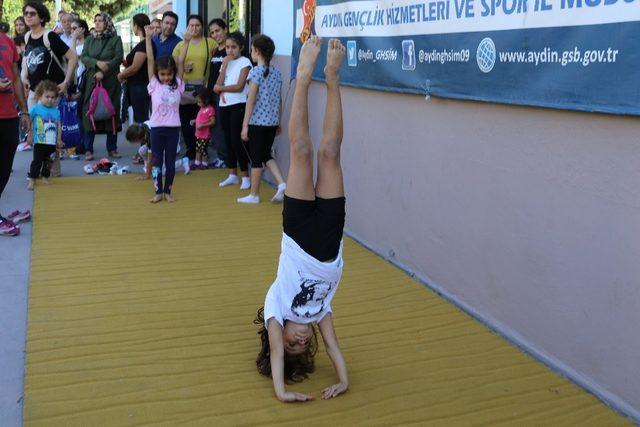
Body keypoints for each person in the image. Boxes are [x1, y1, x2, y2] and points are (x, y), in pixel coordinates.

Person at [254, 37, 348, 403]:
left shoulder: (277, 308)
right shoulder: (318, 312)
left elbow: (276, 354)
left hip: (297, 235)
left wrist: (281, 393)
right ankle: (334, 77)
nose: (299, 339)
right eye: (302, 346)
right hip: (329, 236)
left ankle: (305, 79)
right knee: (331, 152)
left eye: (291, 341)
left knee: (301, 151)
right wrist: (342, 380)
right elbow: (335, 347)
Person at [239, 34, 286, 204]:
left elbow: (250, 100)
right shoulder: (277, 73)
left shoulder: (255, 72)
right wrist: (278, 121)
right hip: (271, 123)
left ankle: (254, 195)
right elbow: (279, 100)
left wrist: (245, 126)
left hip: (257, 122)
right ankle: (281, 183)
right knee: (266, 154)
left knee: (257, 158)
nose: (251, 52)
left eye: (252, 50)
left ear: (257, 51)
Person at [145, 24, 188, 203]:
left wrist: (186, 41)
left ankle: (168, 191)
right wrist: (147, 39)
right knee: (156, 161)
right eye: (162, 74)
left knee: (169, 162)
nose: (166, 78)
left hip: (172, 129)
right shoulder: (154, 84)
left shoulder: (178, 84)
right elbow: (149, 59)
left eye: (169, 74)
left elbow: (181, 62)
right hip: (156, 129)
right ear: (157, 74)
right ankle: (158, 192)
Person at [172, 15, 215, 166]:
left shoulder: (209, 43)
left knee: (202, 120)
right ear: (187, 27)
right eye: (191, 25)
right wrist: (183, 66)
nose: (194, 28)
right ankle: (191, 150)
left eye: (197, 25)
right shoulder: (180, 44)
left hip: (202, 88)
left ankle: (202, 151)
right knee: (186, 121)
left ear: (202, 27)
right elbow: (174, 63)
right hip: (184, 86)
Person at [80, 12, 123, 160]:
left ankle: (112, 148)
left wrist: (104, 71)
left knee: (111, 112)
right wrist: (97, 64)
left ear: (108, 23)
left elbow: (118, 58)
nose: (97, 23)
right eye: (96, 20)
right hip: (92, 81)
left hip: (110, 82)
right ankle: (88, 149)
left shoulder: (115, 39)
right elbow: (84, 56)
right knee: (89, 111)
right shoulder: (89, 39)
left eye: (101, 21)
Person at [0, 28, 31, 236]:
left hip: (9, 114)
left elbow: (17, 78)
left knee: (4, 166)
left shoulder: (8, 41)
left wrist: (24, 111)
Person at [21, 2, 78, 108]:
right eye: (26, 13)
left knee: (50, 124)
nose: (28, 16)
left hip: (51, 94)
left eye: (32, 13)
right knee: (34, 124)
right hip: (34, 92)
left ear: (42, 18)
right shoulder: (27, 36)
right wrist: (23, 77)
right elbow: (26, 59)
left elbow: (73, 57)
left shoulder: (50, 36)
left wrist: (65, 82)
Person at [213, 31, 251, 189]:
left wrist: (221, 88)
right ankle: (232, 174)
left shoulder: (245, 62)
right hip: (224, 106)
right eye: (228, 47)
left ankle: (245, 176)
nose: (230, 51)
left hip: (239, 105)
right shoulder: (226, 62)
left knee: (237, 140)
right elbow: (216, 85)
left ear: (241, 47)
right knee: (227, 140)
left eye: (233, 47)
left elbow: (239, 86)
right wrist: (225, 66)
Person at [117, 13, 154, 124]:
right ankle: (143, 140)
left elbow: (135, 67)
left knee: (142, 120)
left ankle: (145, 141)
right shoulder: (142, 44)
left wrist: (121, 75)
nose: (132, 28)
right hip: (137, 86)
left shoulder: (144, 45)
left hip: (141, 87)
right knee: (139, 119)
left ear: (137, 25)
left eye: (133, 25)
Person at [26, 80, 63, 190]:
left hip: (51, 142)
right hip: (40, 141)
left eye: (53, 97)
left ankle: (45, 177)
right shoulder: (36, 109)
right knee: (37, 161)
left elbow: (59, 125)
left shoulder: (56, 111)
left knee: (48, 162)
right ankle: (32, 179)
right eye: (47, 97)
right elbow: (29, 121)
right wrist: (29, 135)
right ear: (39, 96)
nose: (50, 100)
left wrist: (59, 139)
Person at [207, 18, 229, 168]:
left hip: (225, 94)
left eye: (218, 31)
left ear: (225, 29)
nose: (215, 35)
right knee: (215, 127)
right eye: (212, 32)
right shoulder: (215, 50)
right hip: (212, 94)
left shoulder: (230, 50)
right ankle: (222, 157)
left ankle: (227, 160)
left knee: (222, 127)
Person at [190, 87, 215, 169]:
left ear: (206, 100)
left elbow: (212, 121)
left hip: (205, 135)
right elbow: (200, 119)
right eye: (197, 101)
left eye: (199, 102)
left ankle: (204, 164)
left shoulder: (210, 109)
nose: (198, 104)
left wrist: (202, 125)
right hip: (199, 134)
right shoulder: (202, 108)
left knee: (203, 149)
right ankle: (197, 163)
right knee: (198, 148)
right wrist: (195, 121)